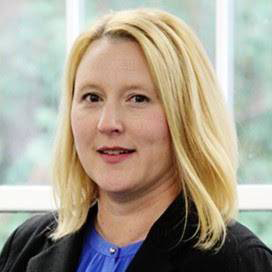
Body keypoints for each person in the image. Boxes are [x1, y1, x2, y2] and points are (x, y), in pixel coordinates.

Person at [0, 8, 272, 272]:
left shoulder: (237, 261)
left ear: (186, 117)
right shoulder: (25, 246)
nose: (108, 124)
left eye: (138, 99)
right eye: (92, 97)